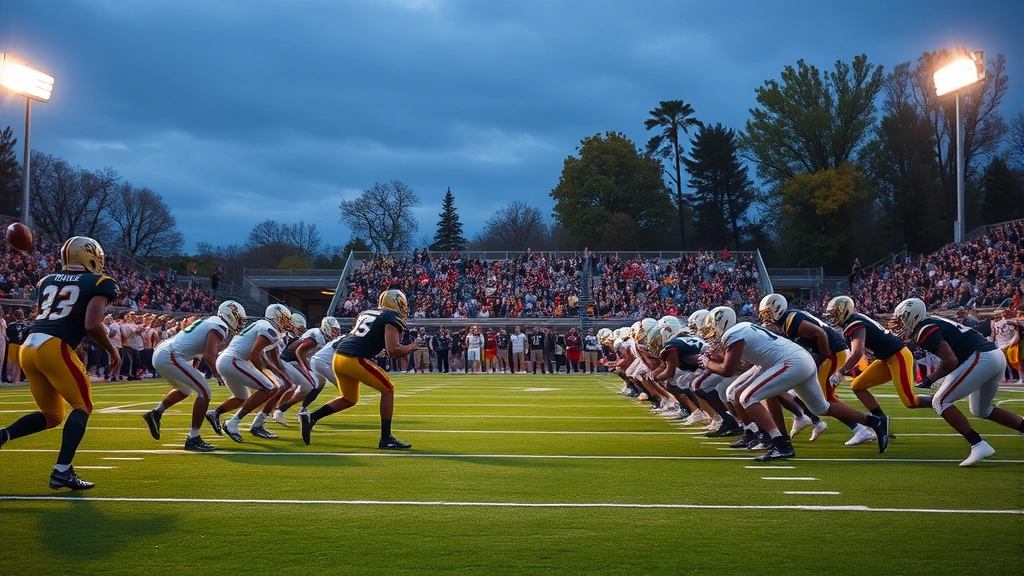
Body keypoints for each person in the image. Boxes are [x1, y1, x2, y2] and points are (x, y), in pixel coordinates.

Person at [0, 236, 121, 490]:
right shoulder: (100, 282)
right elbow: (91, 324)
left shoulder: (47, 280)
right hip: (53, 347)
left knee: (52, 415)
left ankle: (3, 435)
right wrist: (111, 350)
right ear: (90, 256)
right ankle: (62, 470)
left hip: (29, 347)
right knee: (83, 406)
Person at [700, 306, 889, 462]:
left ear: (721, 323)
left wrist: (707, 363)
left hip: (791, 362)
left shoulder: (734, 333)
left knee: (747, 397)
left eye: (711, 328)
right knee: (821, 407)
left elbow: (727, 370)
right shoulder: (744, 328)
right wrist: (719, 359)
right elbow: (739, 363)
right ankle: (874, 422)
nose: (711, 334)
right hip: (799, 359)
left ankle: (781, 444)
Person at [891, 298, 1024, 466]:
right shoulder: (933, 321)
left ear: (914, 316)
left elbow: (950, 361)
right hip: (993, 356)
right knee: (982, 410)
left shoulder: (923, 330)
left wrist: (930, 379)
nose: (901, 324)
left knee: (939, 401)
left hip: (982, 357)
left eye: (903, 319)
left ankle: (978, 444)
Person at [300, 289, 417, 449]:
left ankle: (311, 418)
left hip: (338, 357)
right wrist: (412, 346)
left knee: (349, 398)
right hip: (352, 358)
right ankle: (386, 438)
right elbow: (393, 350)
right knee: (388, 389)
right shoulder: (391, 317)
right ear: (395, 303)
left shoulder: (367, 313)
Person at [142, 301, 245, 451]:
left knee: (186, 390)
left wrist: (195, 370)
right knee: (204, 392)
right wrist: (218, 375)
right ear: (230, 315)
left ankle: (156, 414)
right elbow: (210, 356)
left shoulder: (210, 321)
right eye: (239, 318)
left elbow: (198, 353)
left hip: (164, 353)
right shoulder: (220, 326)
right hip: (169, 355)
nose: (240, 323)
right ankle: (193, 438)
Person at [824, 296, 932, 434]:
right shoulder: (854, 320)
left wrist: (840, 372)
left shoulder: (855, 323)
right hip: (885, 359)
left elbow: (857, 353)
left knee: (909, 401)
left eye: (834, 312)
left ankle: (940, 400)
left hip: (898, 356)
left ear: (842, 311)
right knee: (858, 386)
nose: (831, 315)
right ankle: (881, 421)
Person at [208, 303, 295, 443]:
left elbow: (265, 356)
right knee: (269, 388)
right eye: (284, 318)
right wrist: (268, 373)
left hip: (227, 360)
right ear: (275, 316)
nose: (287, 322)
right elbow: (254, 354)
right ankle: (233, 423)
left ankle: (215, 413)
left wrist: (279, 373)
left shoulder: (264, 326)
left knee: (242, 397)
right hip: (234, 361)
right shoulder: (268, 328)